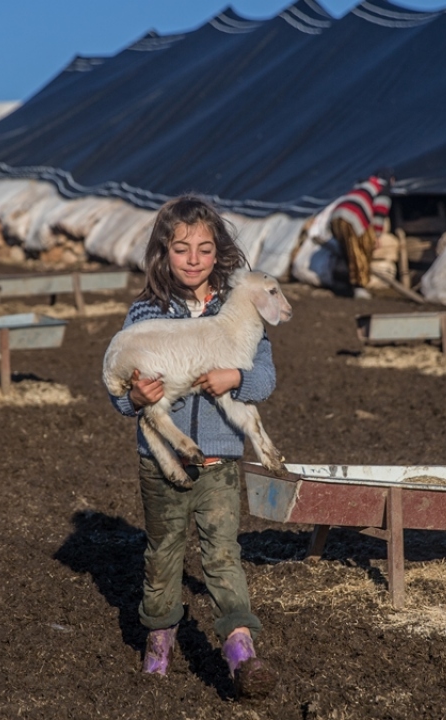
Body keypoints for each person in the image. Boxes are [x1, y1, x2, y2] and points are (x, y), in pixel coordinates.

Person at [108, 195, 278, 698]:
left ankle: (241, 650)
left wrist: (237, 377)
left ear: (218, 252)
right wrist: (135, 398)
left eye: (204, 249)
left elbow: (265, 377)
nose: (193, 259)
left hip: (222, 457)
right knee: (164, 553)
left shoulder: (238, 307)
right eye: (181, 249)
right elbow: (121, 394)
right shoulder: (147, 311)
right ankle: (159, 640)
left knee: (222, 553)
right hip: (161, 461)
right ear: (164, 252)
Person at [329, 171, 394, 299]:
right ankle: (360, 287)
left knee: (346, 250)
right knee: (361, 250)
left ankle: (342, 281)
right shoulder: (383, 190)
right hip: (354, 217)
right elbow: (380, 213)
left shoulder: (362, 185)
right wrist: (376, 236)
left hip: (336, 216)